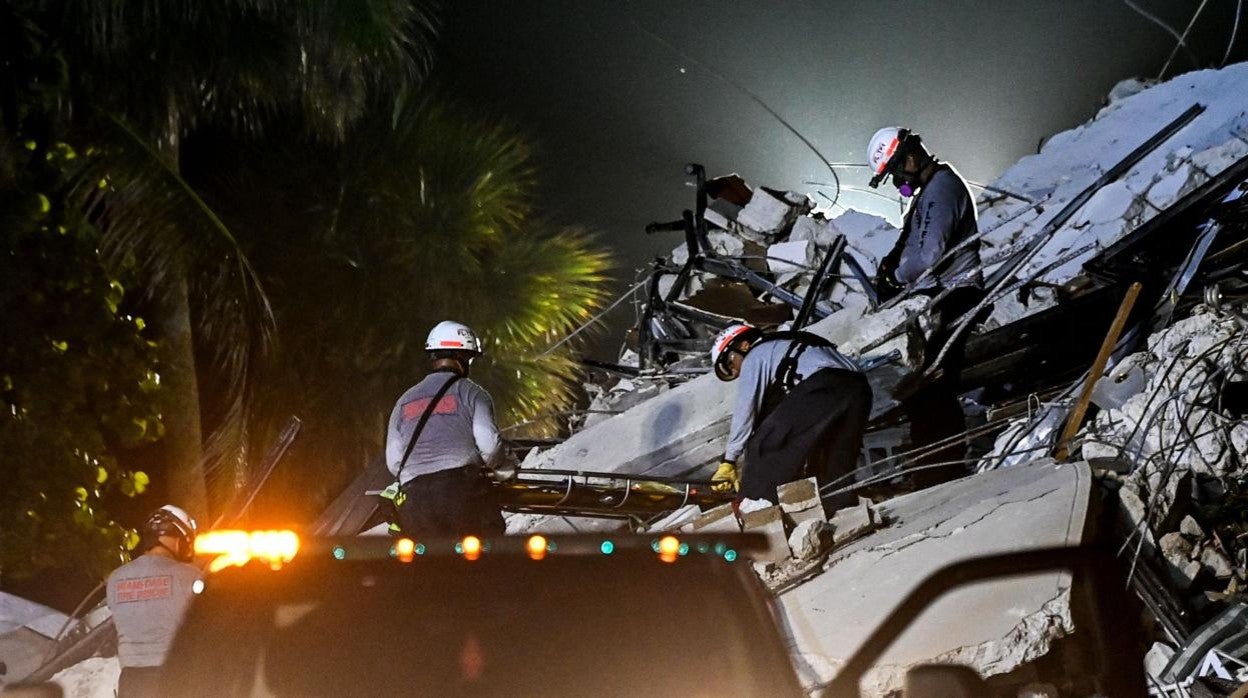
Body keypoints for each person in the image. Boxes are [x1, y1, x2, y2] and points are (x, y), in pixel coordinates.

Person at [867, 127, 991, 486]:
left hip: (958, 294)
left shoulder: (941, 189)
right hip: (941, 298)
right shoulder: (929, 193)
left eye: (894, 174)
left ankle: (942, 471)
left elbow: (930, 255)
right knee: (923, 383)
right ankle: (932, 467)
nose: (896, 182)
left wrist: (898, 276)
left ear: (909, 157)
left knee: (933, 383)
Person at [709, 324, 872, 508]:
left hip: (823, 385)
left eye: (731, 363)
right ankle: (841, 510)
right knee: (833, 456)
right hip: (859, 389)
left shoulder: (755, 355)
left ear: (744, 345)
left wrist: (729, 460)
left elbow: (745, 412)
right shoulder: (787, 347)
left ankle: (756, 509)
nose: (736, 372)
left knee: (764, 445)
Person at [385, 320, 506, 536]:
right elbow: (490, 448)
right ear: (462, 358)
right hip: (461, 493)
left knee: (431, 568)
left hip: (414, 501)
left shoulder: (404, 401)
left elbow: (394, 462)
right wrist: (503, 467)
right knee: (483, 564)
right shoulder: (472, 393)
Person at [106, 504, 202, 698]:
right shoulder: (190, 576)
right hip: (174, 678)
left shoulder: (116, 578)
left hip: (131, 683)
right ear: (178, 539)